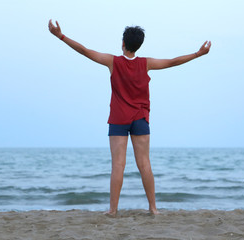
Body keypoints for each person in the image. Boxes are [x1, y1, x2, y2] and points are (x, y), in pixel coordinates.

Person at [48, 20, 211, 216]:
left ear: (123, 43)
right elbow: (172, 62)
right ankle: (153, 209)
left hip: (118, 118)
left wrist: (60, 36)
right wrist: (198, 54)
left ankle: (113, 210)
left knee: (118, 165)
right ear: (138, 45)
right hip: (140, 118)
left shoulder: (113, 61)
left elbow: (84, 51)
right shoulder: (146, 63)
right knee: (144, 163)